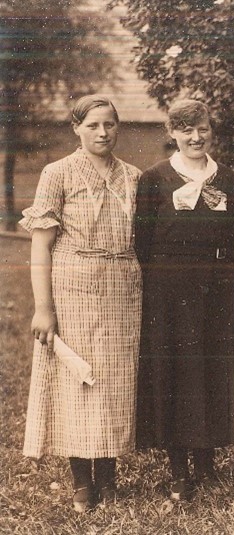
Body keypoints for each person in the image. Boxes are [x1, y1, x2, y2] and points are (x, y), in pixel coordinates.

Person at [21, 95, 142, 511]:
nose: (102, 133)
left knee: (112, 381)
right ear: (77, 127)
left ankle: (108, 477)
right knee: (77, 378)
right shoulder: (57, 173)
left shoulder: (133, 176)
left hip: (122, 288)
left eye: (109, 124)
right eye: (92, 125)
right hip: (72, 288)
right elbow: (41, 245)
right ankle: (81, 481)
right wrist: (43, 307)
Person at [134, 99, 234, 500]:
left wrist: (225, 277)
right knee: (175, 371)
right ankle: (179, 467)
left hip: (215, 290)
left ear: (211, 130)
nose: (196, 137)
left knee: (211, 368)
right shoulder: (155, 178)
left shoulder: (228, 179)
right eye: (186, 130)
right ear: (172, 134)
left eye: (202, 129)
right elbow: (141, 243)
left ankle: (207, 462)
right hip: (169, 291)